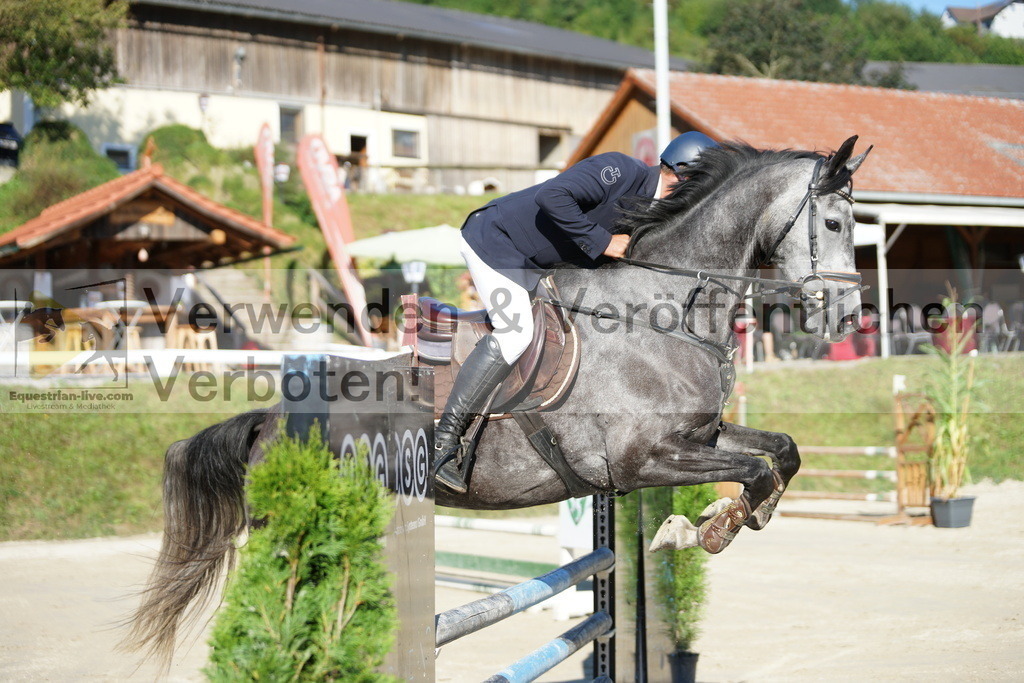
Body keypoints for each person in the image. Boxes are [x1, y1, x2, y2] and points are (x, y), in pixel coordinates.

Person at [435, 131, 719, 492]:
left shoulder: (657, 214)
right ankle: (444, 442)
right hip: (496, 241)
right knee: (516, 332)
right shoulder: (619, 169)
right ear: (681, 174)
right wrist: (604, 241)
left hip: (536, 264)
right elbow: (552, 196)